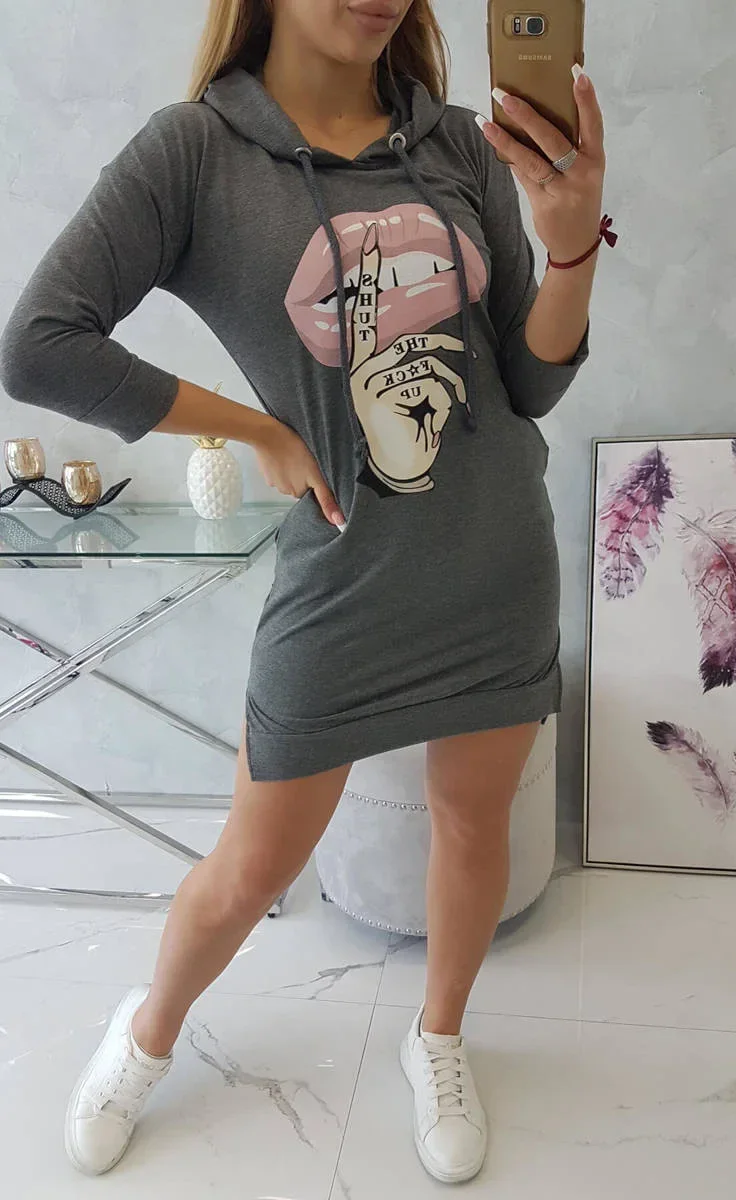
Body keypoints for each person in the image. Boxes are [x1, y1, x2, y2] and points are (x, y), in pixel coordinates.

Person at [0, 0, 607, 1184]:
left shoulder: (455, 144)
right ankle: (146, 1035)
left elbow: (528, 384)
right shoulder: (194, 154)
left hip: (495, 560)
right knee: (252, 869)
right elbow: (39, 343)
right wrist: (259, 432)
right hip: (344, 584)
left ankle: (437, 1039)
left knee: (471, 824)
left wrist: (571, 244)